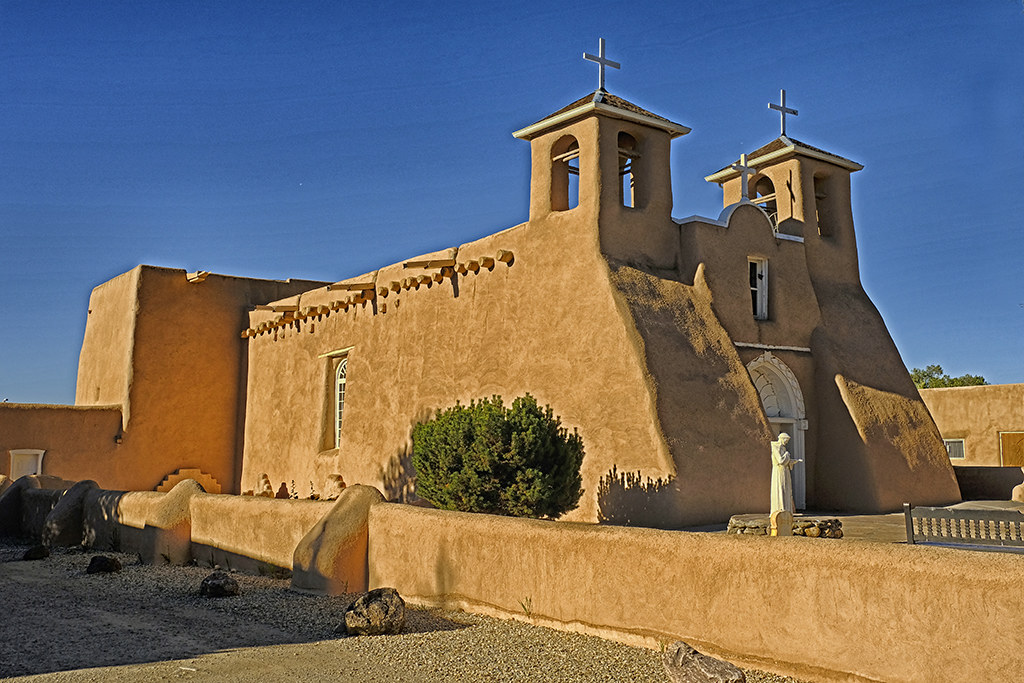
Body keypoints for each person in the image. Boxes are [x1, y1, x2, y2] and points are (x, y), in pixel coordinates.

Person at [770, 433, 801, 514]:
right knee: (780, 488)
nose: (786, 442)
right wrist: (787, 455)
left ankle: (786, 509)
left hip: (784, 471)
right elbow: (781, 461)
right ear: (781, 439)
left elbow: (785, 461)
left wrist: (793, 461)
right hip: (779, 471)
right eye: (786, 440)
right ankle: (780, 508)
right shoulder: (775, 447)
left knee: (786, 489)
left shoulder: (783, 448)